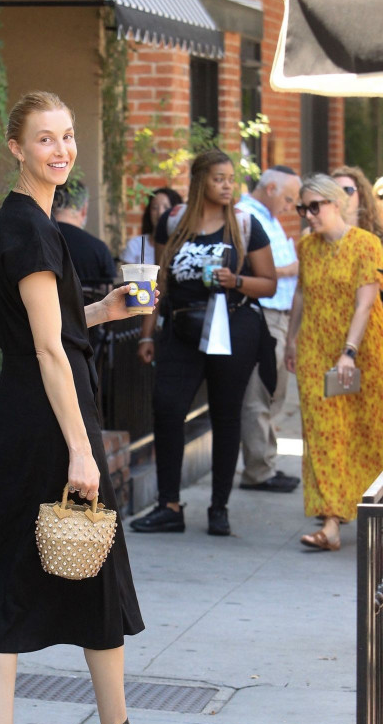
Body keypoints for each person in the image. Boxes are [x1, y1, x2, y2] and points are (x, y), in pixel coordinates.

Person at [0, 91, 187, 724]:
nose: (61, 149)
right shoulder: (29, 227)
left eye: (68, 135)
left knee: (4, 574)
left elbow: (44, 330)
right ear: (15, 148)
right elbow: (49, 351)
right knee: (96, 574)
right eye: (45, 138)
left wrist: (102, 311)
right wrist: (82, 450)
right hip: (51, 425)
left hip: (29, 419)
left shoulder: (27, 222)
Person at [131, 149, 276, 537]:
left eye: (231, 179)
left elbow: (269, 283)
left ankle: (219, 508)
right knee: (167, 407)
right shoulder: (173, 222)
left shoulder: (244, 224)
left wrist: (237, 281)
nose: (228, 186)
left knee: (226, 414)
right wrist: (147, 332)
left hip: (232, 327)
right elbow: (157, 282)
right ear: (199, 182)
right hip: (181, 328)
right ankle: (169, 506)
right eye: (218, 179)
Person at [285, 174, 383, 551]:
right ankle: (330, 524)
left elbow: (365, 304)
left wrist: (349, 352)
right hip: (315, 349)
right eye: (302, 208)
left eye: (315, 206)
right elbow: (301, 293)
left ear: (336, 203)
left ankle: (372, 511)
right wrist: (291, 340)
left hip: (364, 351)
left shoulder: (366, 244)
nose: (308, 215)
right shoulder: (306, 247)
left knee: (368, 431)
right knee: (322, 433)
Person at [238, 166, 302, 493]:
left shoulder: (269, 217)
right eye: (289, 199)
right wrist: (297, 265)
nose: (290, 207)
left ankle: (266, 464)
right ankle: (258, 471)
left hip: (280, 315)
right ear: (272, 188)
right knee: (258, 393)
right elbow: (260, 267)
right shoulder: (247, 214)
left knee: (273, 394)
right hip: (264, 313)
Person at [52, 180, 116, 303]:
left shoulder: (40, 239)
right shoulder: (99, 248)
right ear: (84, 209)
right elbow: (108, 293)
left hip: (44, 312)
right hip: (90, 313)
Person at [122, 187, 182, 266]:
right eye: (155, 208)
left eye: (166, 208)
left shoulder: (184, 247)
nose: (160, 212)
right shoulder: (135, 245)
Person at [331, 165, 383, 241]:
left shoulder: (378, 240)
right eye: (335, 191)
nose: (341, 197)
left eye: (347, 190)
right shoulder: (321, 240)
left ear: (361, 194)